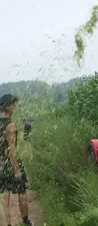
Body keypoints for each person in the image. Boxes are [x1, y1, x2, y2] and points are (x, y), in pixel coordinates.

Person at [0, 94, 32, 226]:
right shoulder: (11, 126)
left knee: (4, 198)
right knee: (22, 193)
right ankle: (26, 222)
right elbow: (12, 150)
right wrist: (17, 171)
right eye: (15, 104)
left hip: (1, 164)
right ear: (9, 107)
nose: (17, 106)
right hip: (11, 164)